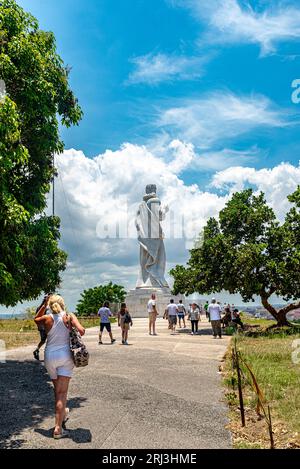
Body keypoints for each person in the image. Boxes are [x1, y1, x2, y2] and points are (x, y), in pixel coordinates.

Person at [34, 294, 85, 439]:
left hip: (50, 356)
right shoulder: (69, 316)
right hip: (65, 356)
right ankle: (58, 429)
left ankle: (62, 414)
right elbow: (82, 331)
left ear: (50, 304)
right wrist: (72, 326)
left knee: (58, 392)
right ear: (63, 303)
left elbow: (36, 319)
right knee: (62, 393)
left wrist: (44, 304)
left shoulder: (47, 318)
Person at [33, 294, 51, 361]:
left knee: (43, 340)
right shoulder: (46, 308)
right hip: (45, 326)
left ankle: (37, 350)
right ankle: (47, 354)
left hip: (41, 326)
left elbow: (37, 317)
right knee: (48, 340)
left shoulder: (39, 307)